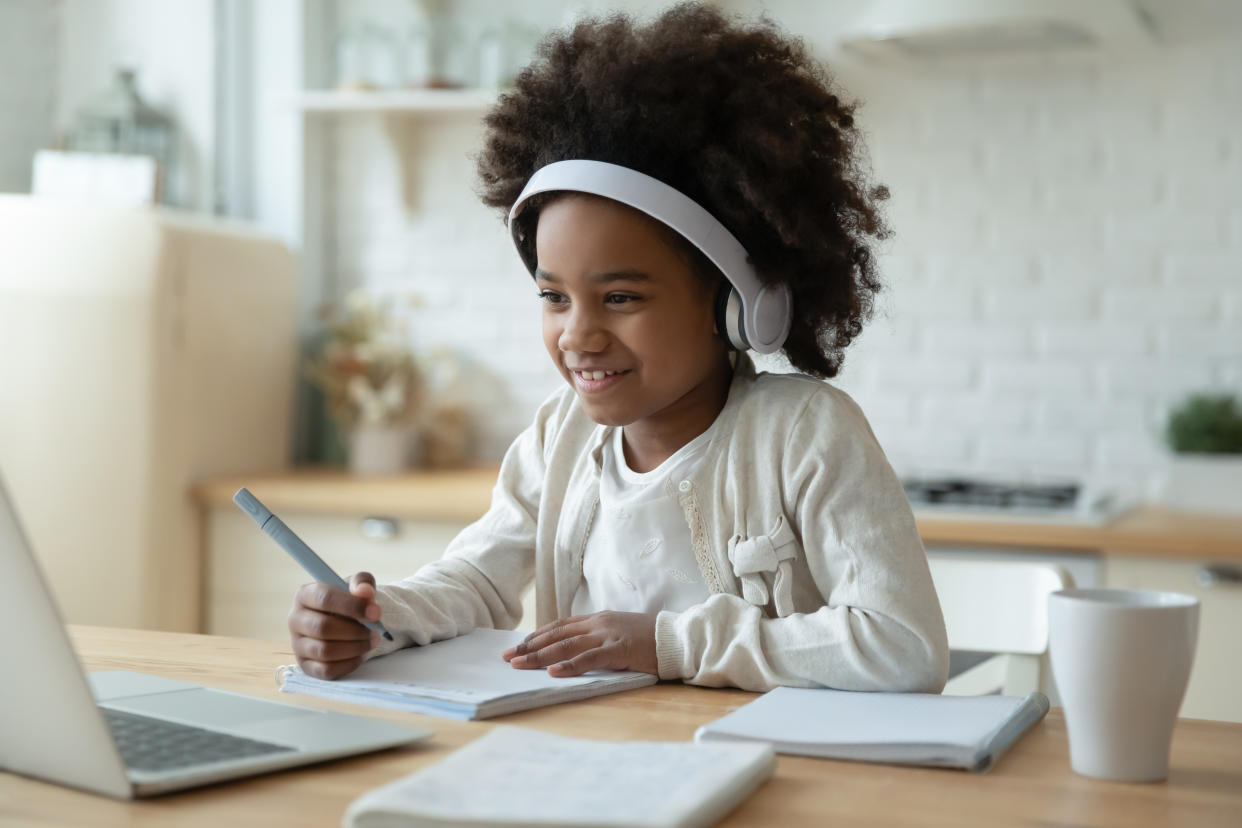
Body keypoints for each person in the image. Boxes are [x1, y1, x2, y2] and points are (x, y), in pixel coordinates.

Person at [287, 2, 949, 693]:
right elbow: (479, 579)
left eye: (621, 298)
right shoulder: (558, 437)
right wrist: (379, 615)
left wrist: (665, 644)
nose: (577, 335)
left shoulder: (805, 434)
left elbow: (903, 648)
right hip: (599, 768)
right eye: (554, 297)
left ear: (735, 305)